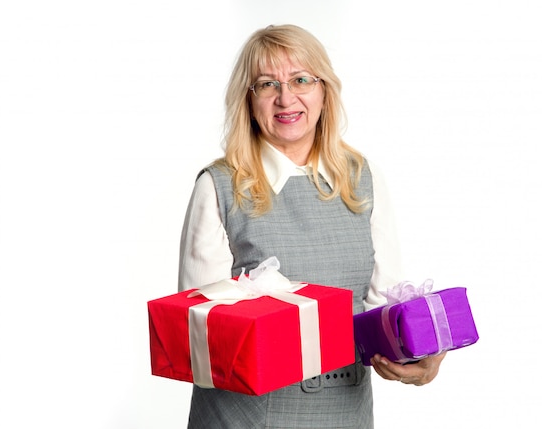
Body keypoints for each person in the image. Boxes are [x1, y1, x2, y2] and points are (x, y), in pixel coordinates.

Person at [178, 24, 446, 429]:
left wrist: (419, 352)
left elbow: (382, 308)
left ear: (324, 91)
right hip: (246, 419)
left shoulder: (363, 179)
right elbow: (198, 335)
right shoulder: (219, 186)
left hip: (344, 415)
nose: (286, 98)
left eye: (302, 79)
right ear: (249, 101)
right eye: (267, 84)